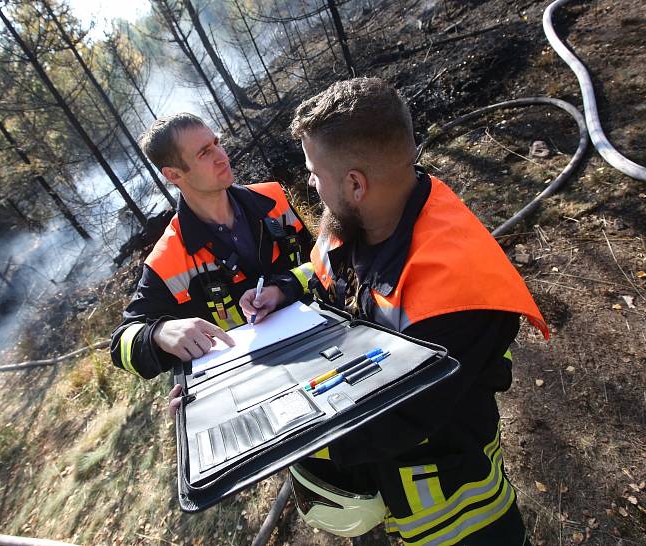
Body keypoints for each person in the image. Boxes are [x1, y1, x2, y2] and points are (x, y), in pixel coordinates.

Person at [240, 78, 549, 546]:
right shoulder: (357, 217)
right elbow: (329, 277)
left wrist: (268, 429)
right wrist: (285, 289)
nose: (309, 183)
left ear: (355, 183)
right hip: (385, 494)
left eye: (313, 173)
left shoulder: (454, 293)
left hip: (459, 512)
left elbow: (388, 423)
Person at [109, 113, 313, 385]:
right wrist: (159, 332)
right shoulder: (168, 258)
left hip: (318, 342)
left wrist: (283, 288)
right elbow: (120, 345)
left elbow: (327, 263)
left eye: (217, 142)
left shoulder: (273, 200)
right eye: (205, 152)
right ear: (173, 174)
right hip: (250, 384)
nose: (222, 156)